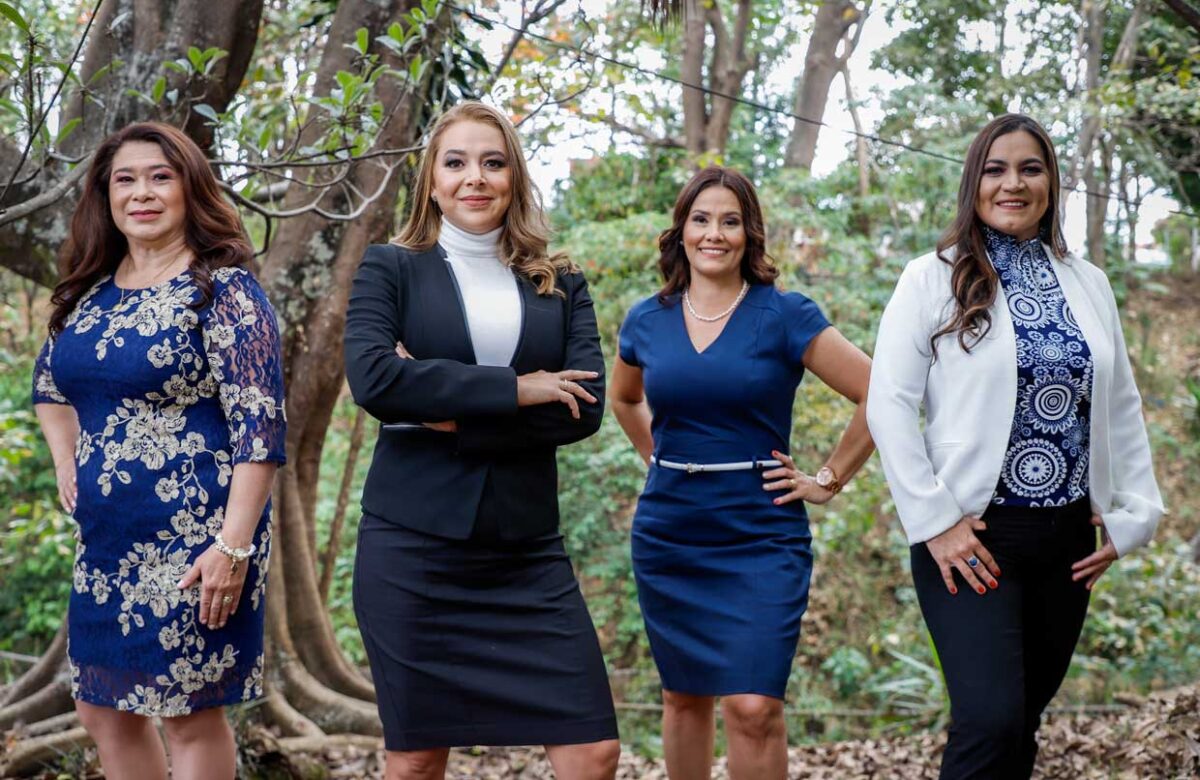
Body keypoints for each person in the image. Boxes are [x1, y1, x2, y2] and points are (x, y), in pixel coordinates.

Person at [866, 113, 1164, 779]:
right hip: (972, 537)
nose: (1014, 184)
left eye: (1031, 169)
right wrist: (935, 521)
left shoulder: (1089, 282)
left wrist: (1135, 516)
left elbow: (1120, 403)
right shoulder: (930, 277)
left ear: (1052, 183)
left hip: (1067, 541)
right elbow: (888, 404)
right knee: (990, 722)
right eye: (996, 169)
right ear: (974, 182)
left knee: (1022, 722)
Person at [343, 101, 620, 780]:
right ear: (432, 181)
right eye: (456, 162)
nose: (475, 177)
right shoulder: (390, 268)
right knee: (415, 760)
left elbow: (583, 410)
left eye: (493, 163)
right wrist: (519, 389)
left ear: (514, 177)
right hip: (412, 549)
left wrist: (444, 411)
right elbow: (375, 380)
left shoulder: (561, 280)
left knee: (593, 750)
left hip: (527, 550)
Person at [31, 122, 285, 780]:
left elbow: (260, 429)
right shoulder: (87, 295)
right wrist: (66, 460)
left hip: (201, 539)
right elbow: (50, 385)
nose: (141, 192)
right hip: (106, 542)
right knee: (102, 709)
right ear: (106, 196)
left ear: (190, 188)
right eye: (126, 179)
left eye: (160, 177)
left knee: (187, 712)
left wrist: (233, 548)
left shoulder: (224, 292)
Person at [609, 166, 874, 780]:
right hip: (670, 531)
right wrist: (661, 460)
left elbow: (879, 392)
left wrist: (828, 479)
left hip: (761, 531)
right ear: (681, 230)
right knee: (683, 696)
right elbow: (623, 399)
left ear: (749, 234)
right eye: (701, 219)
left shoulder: (785, 314)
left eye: (729, 222)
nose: (714, 234)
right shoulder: (646, 319)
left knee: (753, 707)